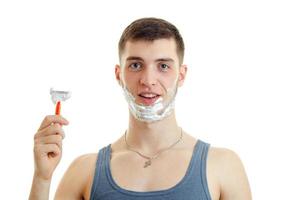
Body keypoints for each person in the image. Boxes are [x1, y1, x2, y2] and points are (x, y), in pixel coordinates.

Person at [29, 17, 252, 200]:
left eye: (163, 66)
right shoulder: (84, 170)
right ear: (119, 74)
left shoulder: (222, 166)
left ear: (181, 75)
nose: (148, 80)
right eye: (136, 65)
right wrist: (42, 177)